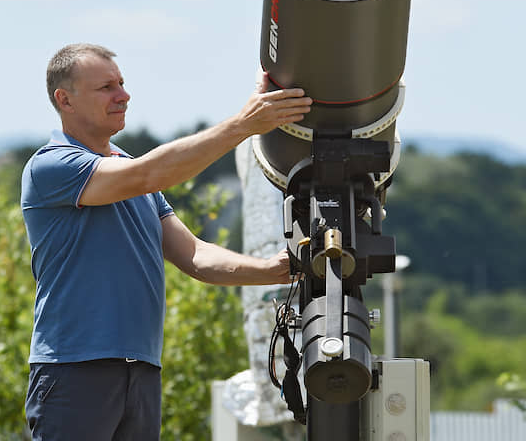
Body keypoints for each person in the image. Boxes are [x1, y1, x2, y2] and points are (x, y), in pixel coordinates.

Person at [21, 43, 312, 440]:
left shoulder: (133, 173)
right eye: (106, 87)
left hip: (140, 372)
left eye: (121, 83)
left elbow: (194, 255)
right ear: (64, 99)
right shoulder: (52, 165)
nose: (123, 95)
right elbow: (147, 174)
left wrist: (276, 270)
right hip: (74, 371)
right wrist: (243, 125)